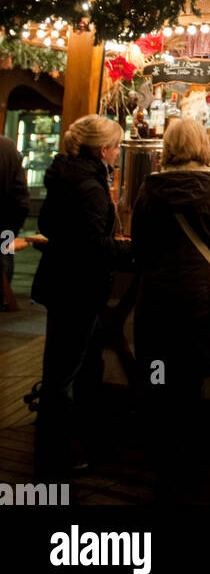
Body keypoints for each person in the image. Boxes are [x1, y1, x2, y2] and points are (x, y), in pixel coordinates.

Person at [132, 117, 210, 502]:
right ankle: (189, 469)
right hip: (201, 298)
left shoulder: (150, 187)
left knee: (160, 377)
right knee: (194, 379)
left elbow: (139, 245)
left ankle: (163, 466)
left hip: (158, 297)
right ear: (203, 144)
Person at [31, 115, 132, 479]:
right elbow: (94, 246)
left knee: (65, 369)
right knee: (66, 374)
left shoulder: (63, 172)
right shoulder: (89, 185)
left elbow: (45, 225)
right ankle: (56, 458)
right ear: (104, 150)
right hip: (79, 286)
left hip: (60, 282)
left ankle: (60, 450)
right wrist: (129, 252)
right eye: (117, 146)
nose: (119, 152)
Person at [0, 131, 30, 305]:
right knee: (5, 255)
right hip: (5, 220)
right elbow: (20, 195)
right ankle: (3, 298)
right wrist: (13, 227)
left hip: (6, 219)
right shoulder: (8, 147)